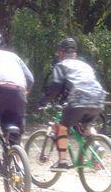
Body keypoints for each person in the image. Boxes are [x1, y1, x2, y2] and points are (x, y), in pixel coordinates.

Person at [38, 37, 106, 171]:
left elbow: (57, 85)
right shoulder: (86, 65)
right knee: (86, 125)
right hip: (97, 99)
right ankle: (97, 145)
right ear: (74, 53)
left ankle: (62, 161)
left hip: (78, 100)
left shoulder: (61, 65)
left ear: (61, 53)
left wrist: (43, 101)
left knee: (62, 127)